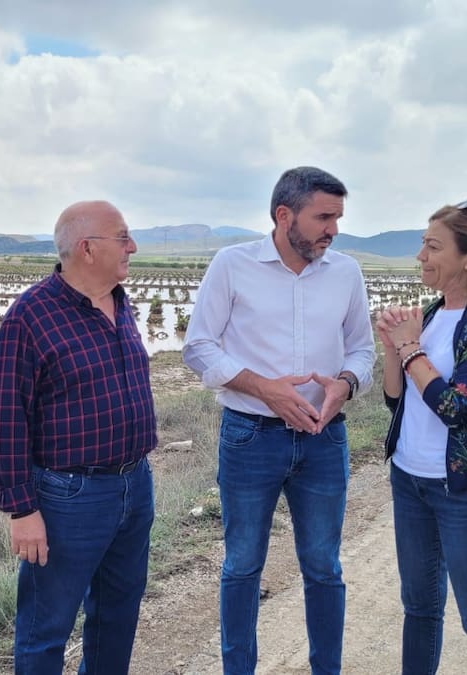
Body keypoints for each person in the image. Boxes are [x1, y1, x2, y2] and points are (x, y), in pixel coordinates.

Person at [182, 166, 375, 675]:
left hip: (323, 436)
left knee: (323, 567)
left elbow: (361, 351)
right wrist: (263, 387)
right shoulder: (232, 264)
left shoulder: (346, 272)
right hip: (250, 437)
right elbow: (199, 347)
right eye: (324, 217)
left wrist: (345, 385)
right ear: (283, 215)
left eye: (338, 217)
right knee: (243, 566)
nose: (333, 229)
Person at [0, 200, 157, 674]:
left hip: (134, 485)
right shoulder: (30, 318)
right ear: (87, 248)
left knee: (118, 614)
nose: (132, 247)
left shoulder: (121, 303)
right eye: (123, 238)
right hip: (68, 498)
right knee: (46, 628)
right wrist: (22, 509)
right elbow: (5, 419)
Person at [377, 199, 467, 673]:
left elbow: (456, 408)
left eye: (433, 246)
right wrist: (394, 349)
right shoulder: (434, 312)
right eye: (422, 244)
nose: (421, 255)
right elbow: (397, 400)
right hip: (411, 479)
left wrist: (409, 348)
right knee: (419, 609)